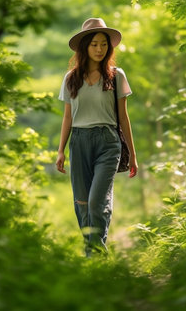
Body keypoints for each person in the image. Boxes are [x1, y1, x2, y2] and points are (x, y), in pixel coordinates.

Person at [56, 17, 138, 256]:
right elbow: (67, 118)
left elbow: (124, 117)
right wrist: (60, 150)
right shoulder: (71, 78)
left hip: (108, 142)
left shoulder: (117, 76)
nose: (100, 49)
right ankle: (91, 250)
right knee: (82, 203)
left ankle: (97, 253)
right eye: (94, 44)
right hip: (79, 141)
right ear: (85, 47)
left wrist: (132, 154)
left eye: (104, 44)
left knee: (96, 202)